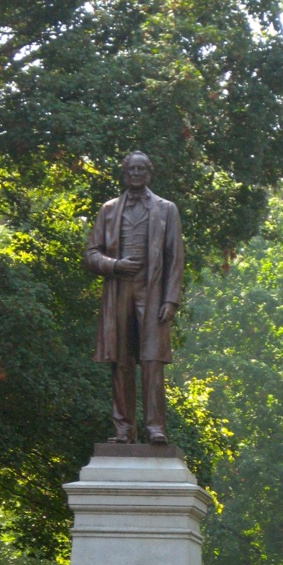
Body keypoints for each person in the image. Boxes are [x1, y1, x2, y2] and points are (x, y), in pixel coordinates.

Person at [84, 151, 184, 444]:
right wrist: (115, 265)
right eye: (131, 169)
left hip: (152, 291)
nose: (137, 173)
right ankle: (124, 430)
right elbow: (91, 254)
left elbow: (175, 258)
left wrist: (171, 299)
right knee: (121, 360)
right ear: (125, 173)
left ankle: (155, 428)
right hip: (119, 290)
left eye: (142, 169)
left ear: (149, 173)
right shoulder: (109, 210)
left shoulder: (167, 209)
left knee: (152, 360)